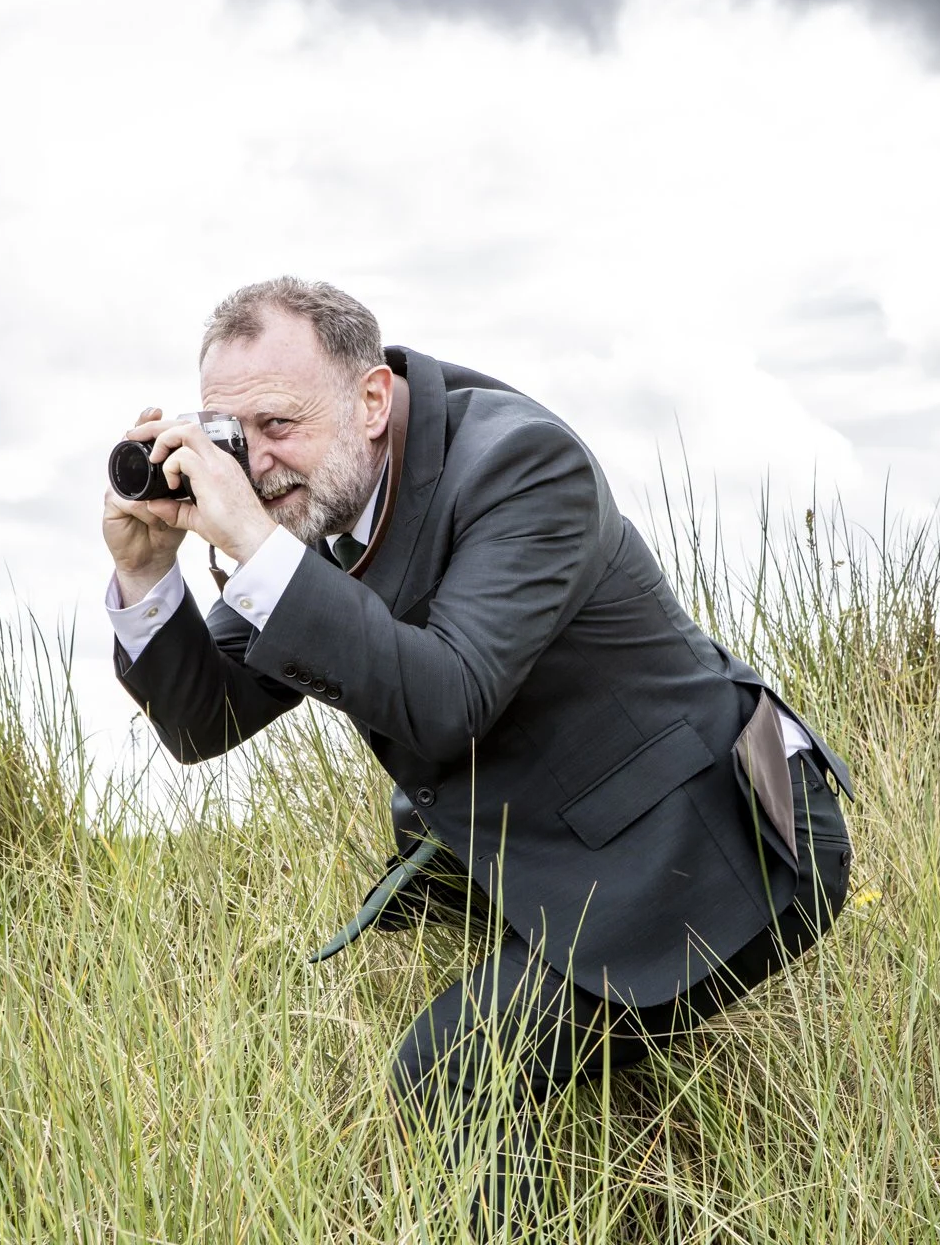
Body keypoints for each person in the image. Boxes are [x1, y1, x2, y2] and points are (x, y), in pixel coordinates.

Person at [103, 277, 855, 1234]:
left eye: (280, 425)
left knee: (447, 1076)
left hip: (725, 843)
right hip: (574, 844)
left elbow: (445, 698)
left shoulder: (523, 469)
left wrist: (253, 544)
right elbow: (203, 723)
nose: (257, 464)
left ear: (372, 402)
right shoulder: (323, 505)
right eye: (233, 437)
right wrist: (144, 571)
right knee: (493, 1073)